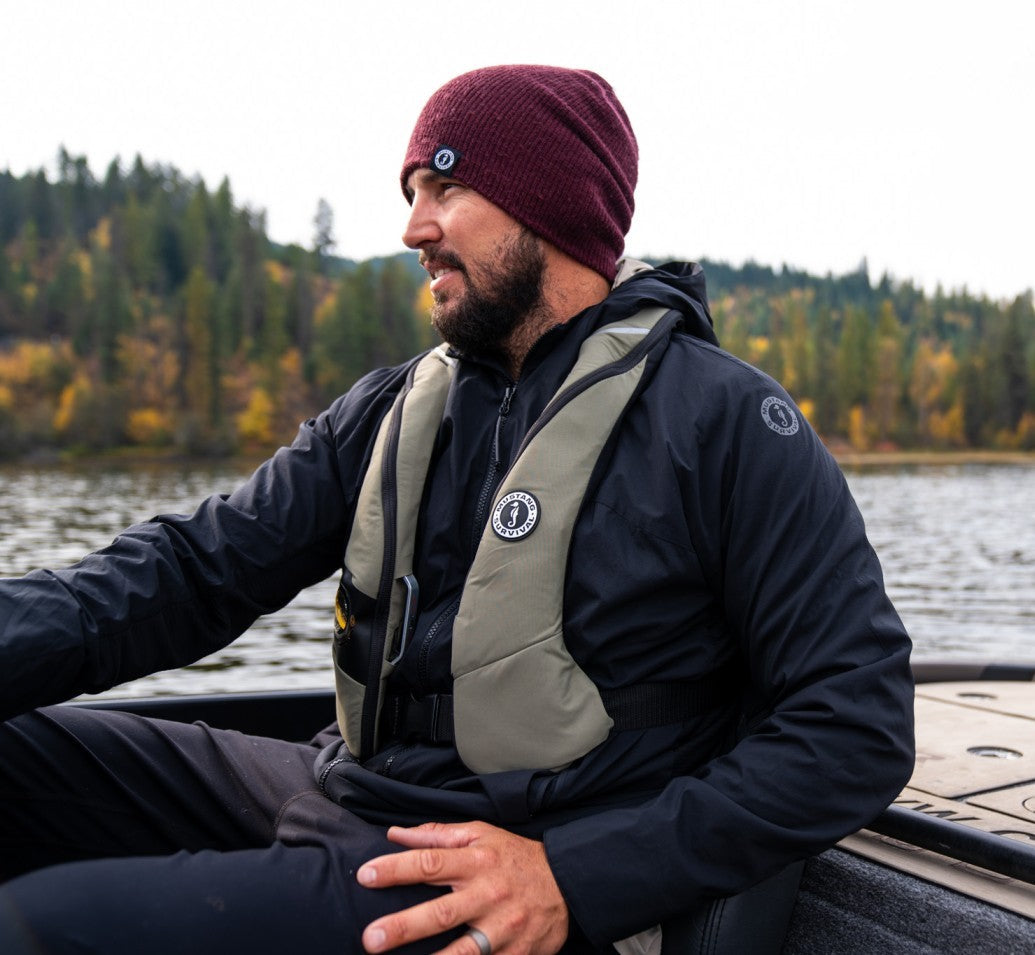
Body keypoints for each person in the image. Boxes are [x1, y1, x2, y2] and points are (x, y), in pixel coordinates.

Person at [0, 65, 914, 955]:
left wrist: (574, 874)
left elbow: (854, 723)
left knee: (38, 928)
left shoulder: (725, 421)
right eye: (409, 192)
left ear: (545, 204)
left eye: (444, 185)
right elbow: (192, 570)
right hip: (346, 785)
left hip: (483, 857)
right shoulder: (392, 408)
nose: (412, 228)